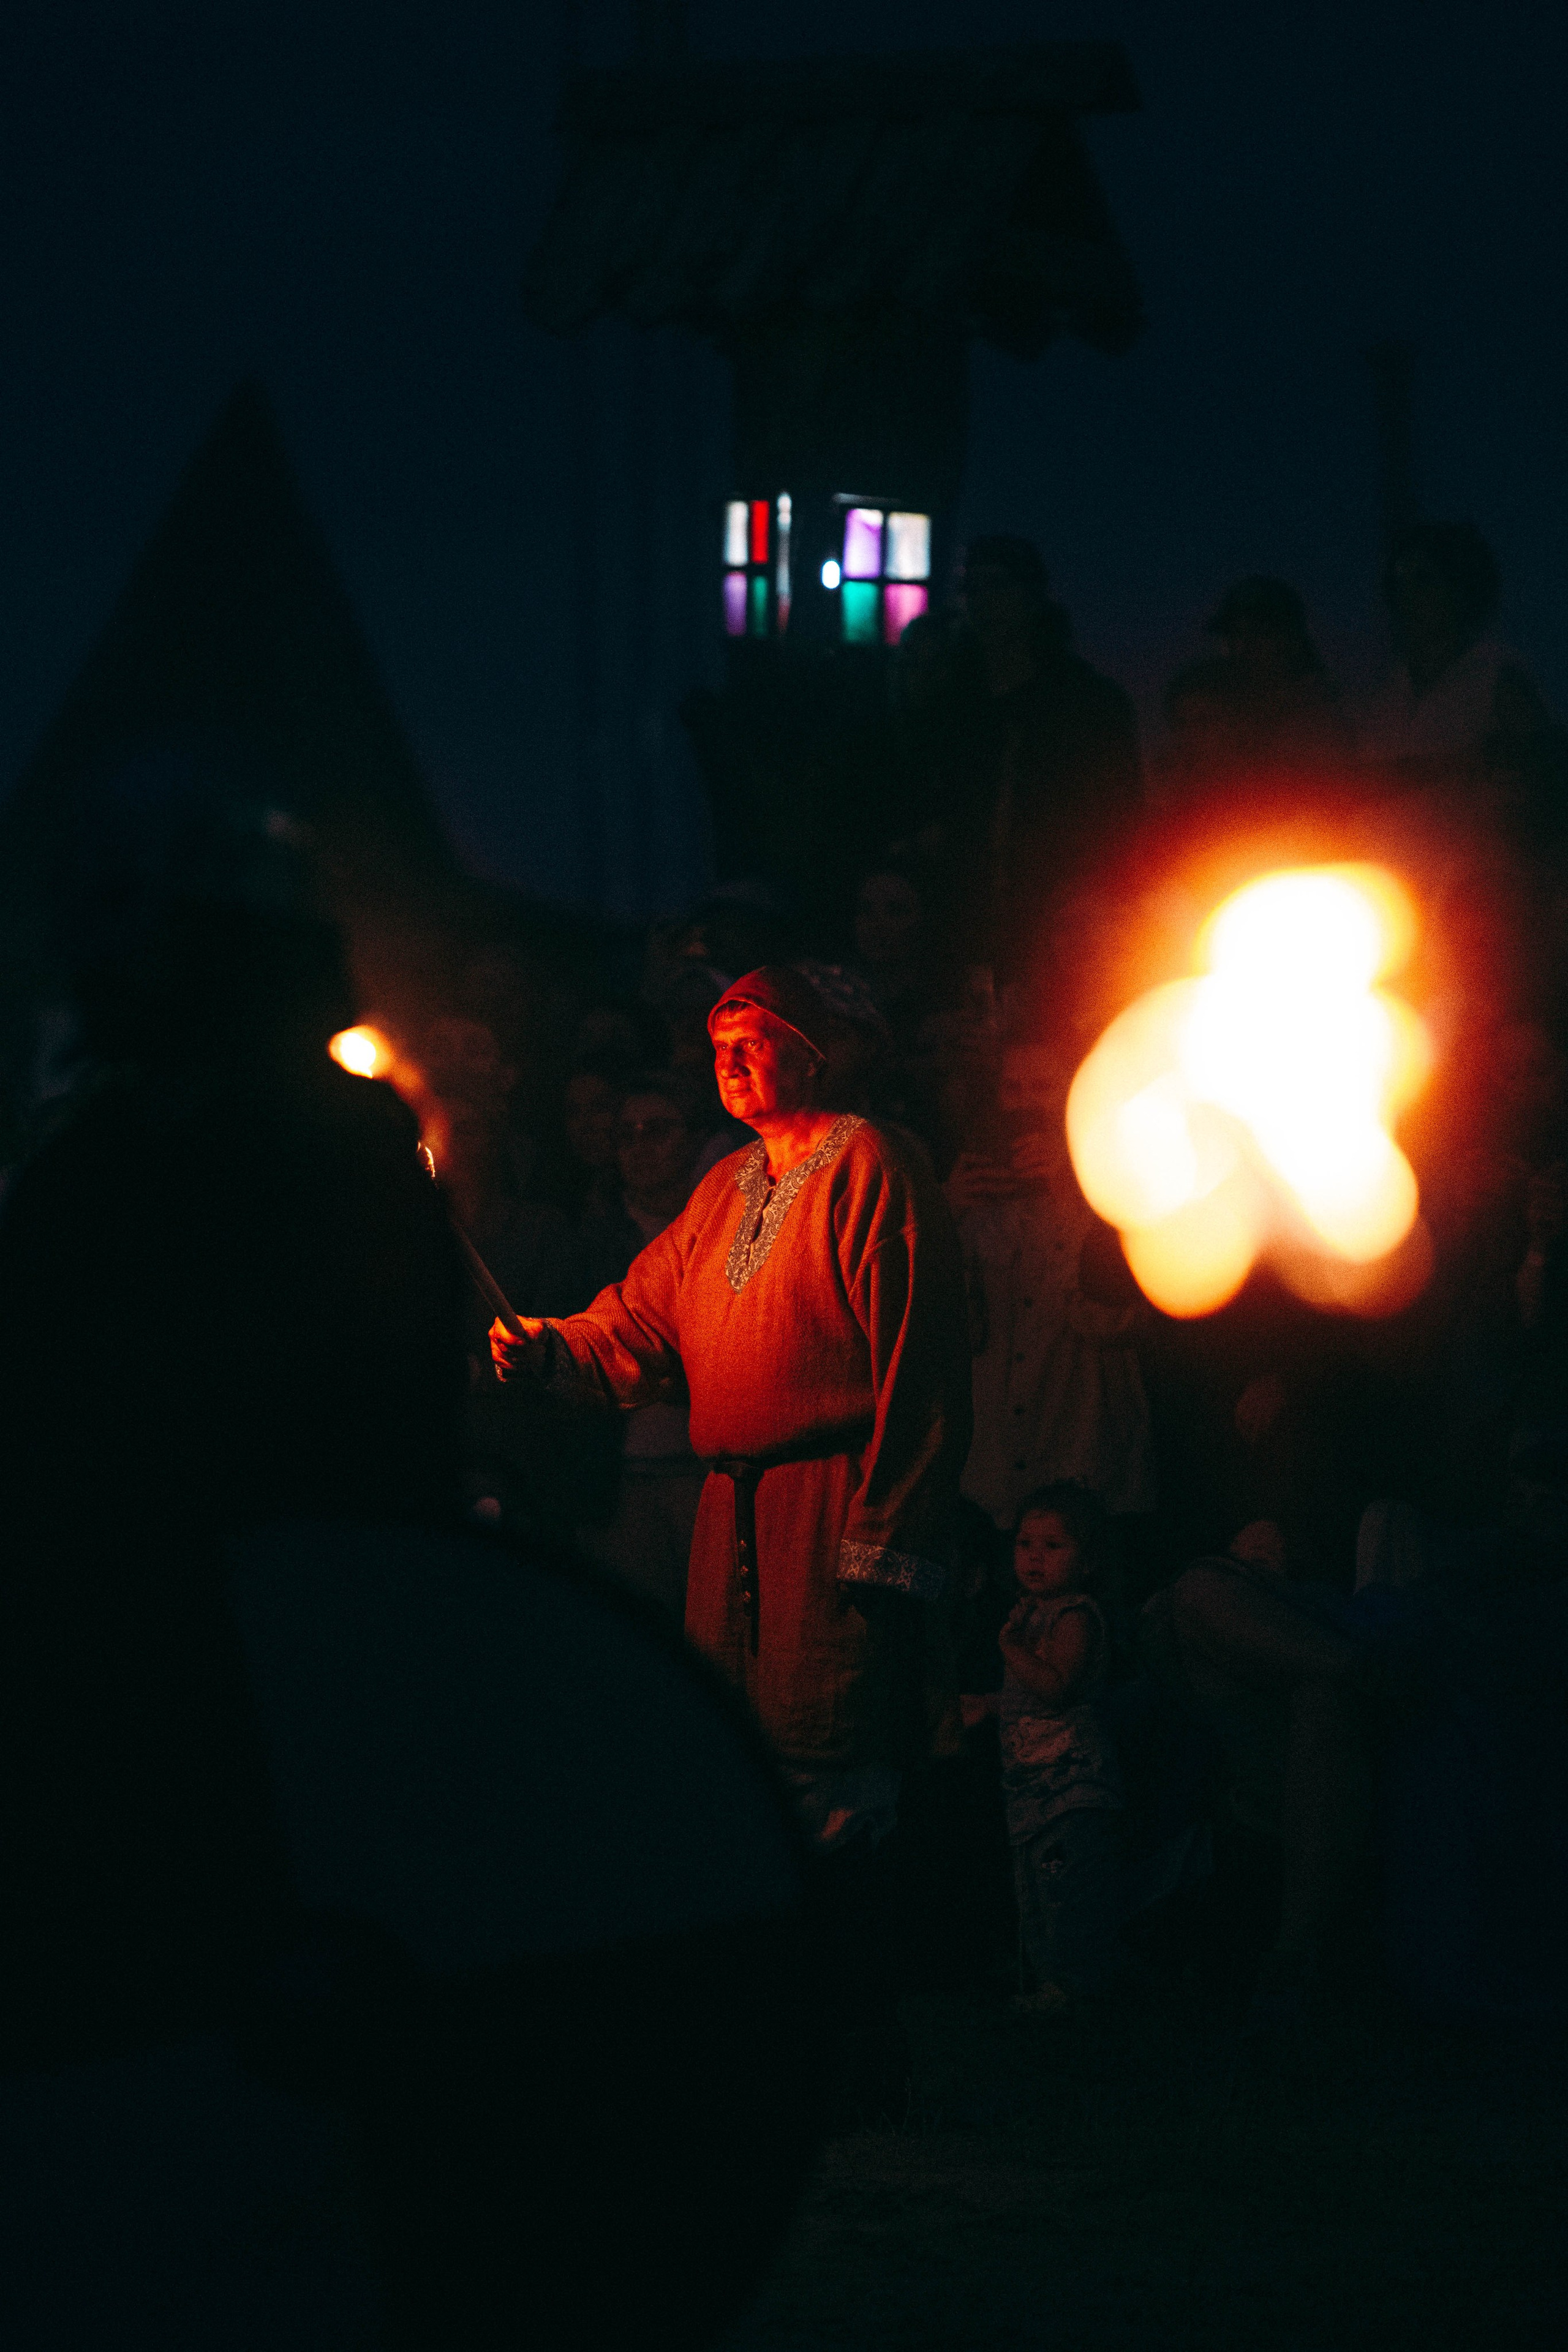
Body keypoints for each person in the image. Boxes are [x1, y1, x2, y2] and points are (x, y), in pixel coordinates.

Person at [490, 965, 972, 1851]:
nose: (732, 1061)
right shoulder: (725, 1188)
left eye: (755, 1044)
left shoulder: (872, 1167)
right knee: (740, 1765)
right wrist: (554, 1346)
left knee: (835, 1771)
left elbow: (924, 1374)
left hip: (829, 1513)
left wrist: (886, 1540)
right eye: (720, 1048)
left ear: (813, 1058)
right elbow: (640, 1319)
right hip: (729, 1524)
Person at [947, 1039, 1155, 1531]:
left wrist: (1070, 1203)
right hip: (993, 1484)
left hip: (1086, 1472)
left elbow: (1110, 1321)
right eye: (1012, 1088)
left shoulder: (1118, 1192)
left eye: (1042, 1087)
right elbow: (949, 1331)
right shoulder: (975, 1193)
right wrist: (943, 1215)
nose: (1024, 1103)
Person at [998, 1482, 1125, 2013]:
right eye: (1026, 1542)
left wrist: (1008, 1648)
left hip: (1070, 1786)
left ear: (1088, 1559)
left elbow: (1055, 1687)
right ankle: (1052, 1984)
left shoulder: (1074, 1616)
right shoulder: (1032, 1612)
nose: (1035, 1556)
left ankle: (1074, 1988)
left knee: (1067, 1891)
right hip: (1034, 1787)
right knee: (1037, 1891)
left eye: (1054, 1546)